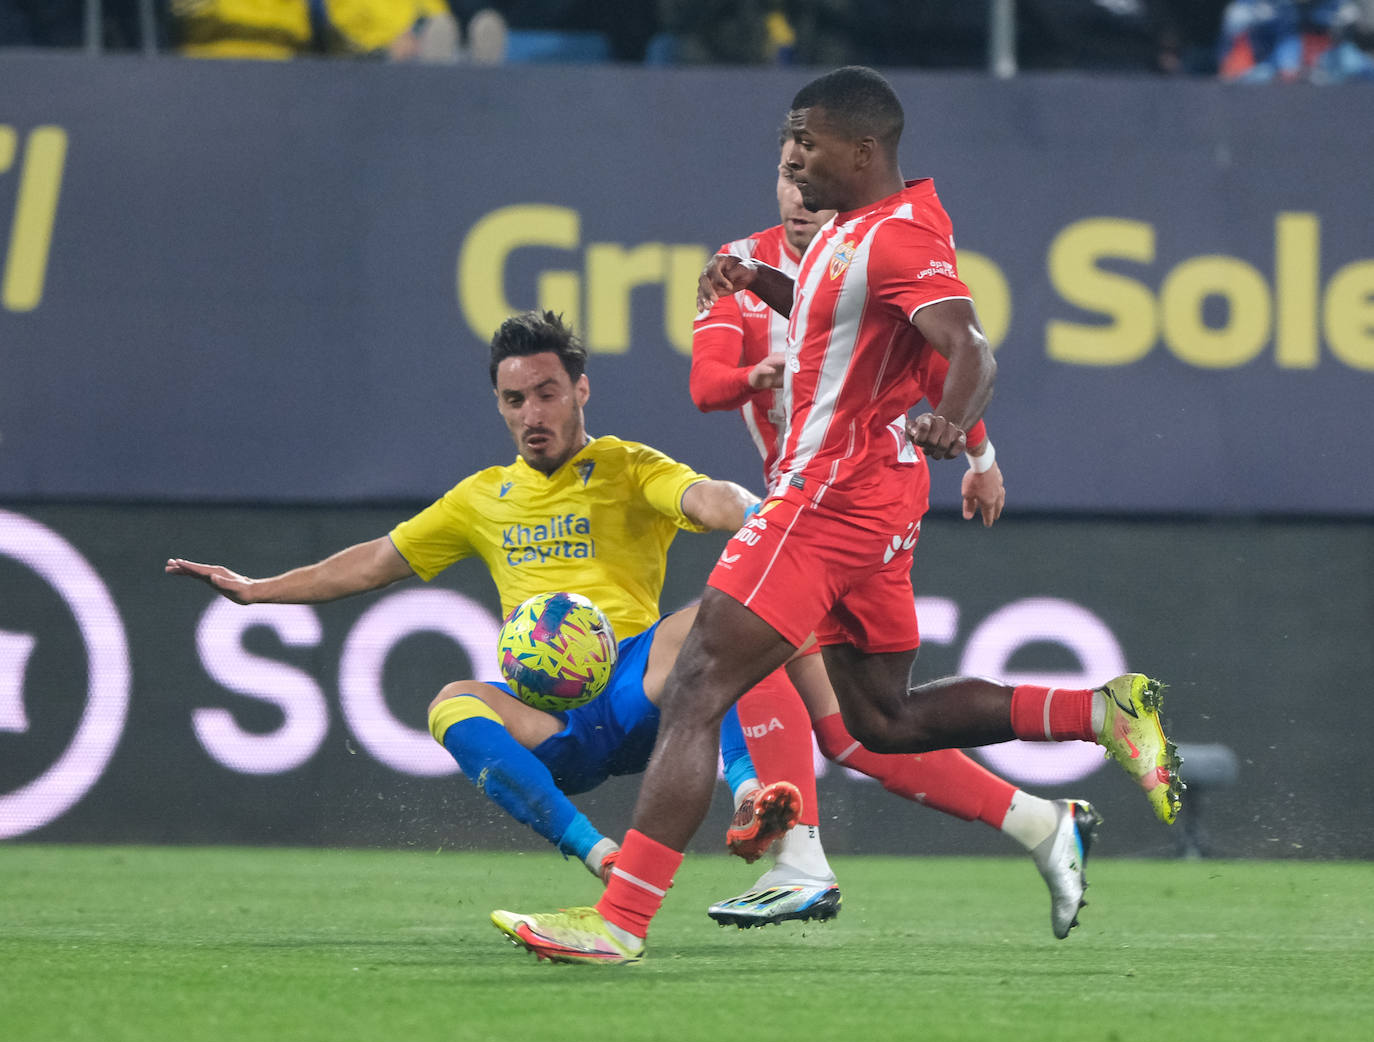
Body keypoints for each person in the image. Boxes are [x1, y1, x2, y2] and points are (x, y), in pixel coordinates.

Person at [491, 66, 1184, 965]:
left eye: (806, 139)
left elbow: (970, 347)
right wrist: (756, 281)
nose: (790, 155)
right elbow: (838, 317)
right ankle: (1100, 712)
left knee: (699, 683)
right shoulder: (850, 233)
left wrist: (958, 426)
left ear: (861, 150)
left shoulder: (897, 236)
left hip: (824, 496)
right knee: (878, 720)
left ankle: (622, 917)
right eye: (788, 138)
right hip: (874, 501)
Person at [166, 309, 794, 886]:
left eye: (546, 393)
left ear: (580, 390)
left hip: (641, 694)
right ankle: (600, 854)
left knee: (720, 615)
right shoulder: (481, 498)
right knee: (450, 704)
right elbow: (376, 562)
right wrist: (257, 590)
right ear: (499, 405)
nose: (532, 414)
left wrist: (759, 516)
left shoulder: (628, 467)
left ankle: (747, 796)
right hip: (551, 720)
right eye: (515, 400)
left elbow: (704, 497)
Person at [694, 134, 1102, 940]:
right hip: (804, 500)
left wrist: (980, 453)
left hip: (851, 499)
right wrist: (753, 376)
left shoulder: (873, 249)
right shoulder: (743, 265)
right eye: (786, 172)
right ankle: (1042, 819)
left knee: (745, 649)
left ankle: (794, 854)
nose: (800, 191)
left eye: (810, 169)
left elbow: (943, 358)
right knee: (859, 729)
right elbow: (707, 385)